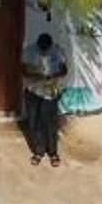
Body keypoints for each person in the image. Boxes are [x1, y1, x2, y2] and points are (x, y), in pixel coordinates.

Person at [20, 29, 68, 166]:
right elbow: (23, 70)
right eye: (42, 48)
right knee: (34, 122)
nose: (45, 51)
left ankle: (53, 153)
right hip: (33, 91)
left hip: (50, 93)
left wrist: (55, 75)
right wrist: (38, 76)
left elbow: (64, 70)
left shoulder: (57, 52)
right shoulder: (29, 51)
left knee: (50, 123)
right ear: (38, 44)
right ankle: (38, 152)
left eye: (47, 48)